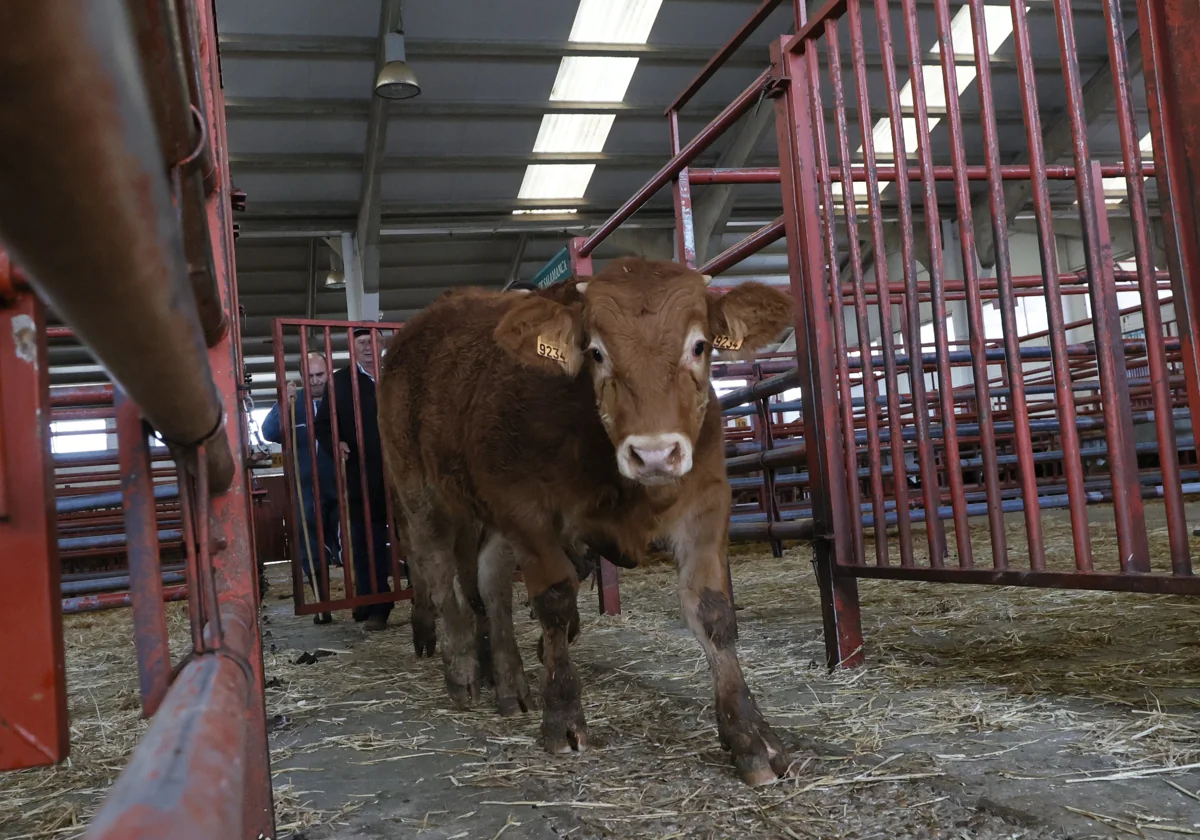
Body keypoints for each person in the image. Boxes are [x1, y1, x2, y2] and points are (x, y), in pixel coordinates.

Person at [315, 328, 396, 631]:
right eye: (359, 342)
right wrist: (335, 442)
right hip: (363, 474)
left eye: (370, 341)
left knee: (417, 537)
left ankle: (425, 597)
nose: (365, 347)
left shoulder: (396, 374)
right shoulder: (339, 382)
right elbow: (323, 425)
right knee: (366, 541)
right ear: (350, 347)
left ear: (381, 344)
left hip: (405, 473)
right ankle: (375, 604)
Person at [262, 352, 340, 624]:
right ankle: (322, 602)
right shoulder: (295, 403)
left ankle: (360, 601)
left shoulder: (341, 398)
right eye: (310, 377)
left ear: (329, 372)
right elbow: (269, 432)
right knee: (311, 543)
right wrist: (284, 402)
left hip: (341, 484)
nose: (316, 381)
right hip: (306, 486)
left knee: (350, 539)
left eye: (320, 375)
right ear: (301, 378)